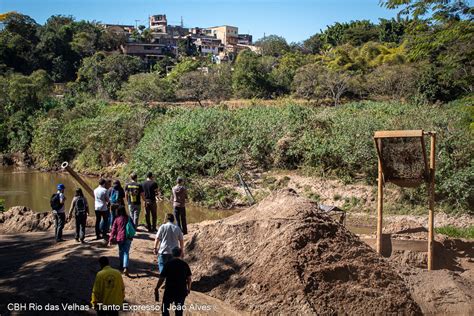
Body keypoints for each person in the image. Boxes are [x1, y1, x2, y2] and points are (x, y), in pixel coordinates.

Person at [154, 247, 191, 316]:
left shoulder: (168, 264)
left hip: (169, 290)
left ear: (172, 254)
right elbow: (189, 279)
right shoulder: (185, 264)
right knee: (179, 311)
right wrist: (188, 289)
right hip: (181, 290)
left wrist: (157, 287)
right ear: (181, 254)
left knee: (165, 309)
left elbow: (162, 278)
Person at [108, 205, 134, 276]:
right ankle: (125, 267)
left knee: (121, 252)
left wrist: (110, 239)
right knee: (126, 252)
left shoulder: (117, 219)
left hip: (119, 238)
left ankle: (121, 265)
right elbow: (133, 226)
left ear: (118, 211)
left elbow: (113, 230)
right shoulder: (128, 218)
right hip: (128, 237)